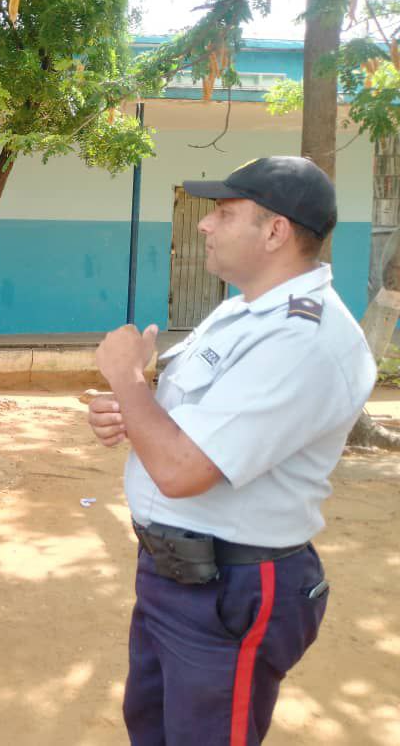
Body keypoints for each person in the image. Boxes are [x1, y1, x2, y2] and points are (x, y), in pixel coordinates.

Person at [87, 156, 377, 745]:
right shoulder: (242, 311)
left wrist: (126, 377)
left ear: (275, 232)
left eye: (223, 213)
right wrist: (135, 412)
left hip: (230, 589)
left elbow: (182, 470)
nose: (204, 224)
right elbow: (196, 428)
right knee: (151, 729)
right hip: (174, 576)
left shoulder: (302, 337)